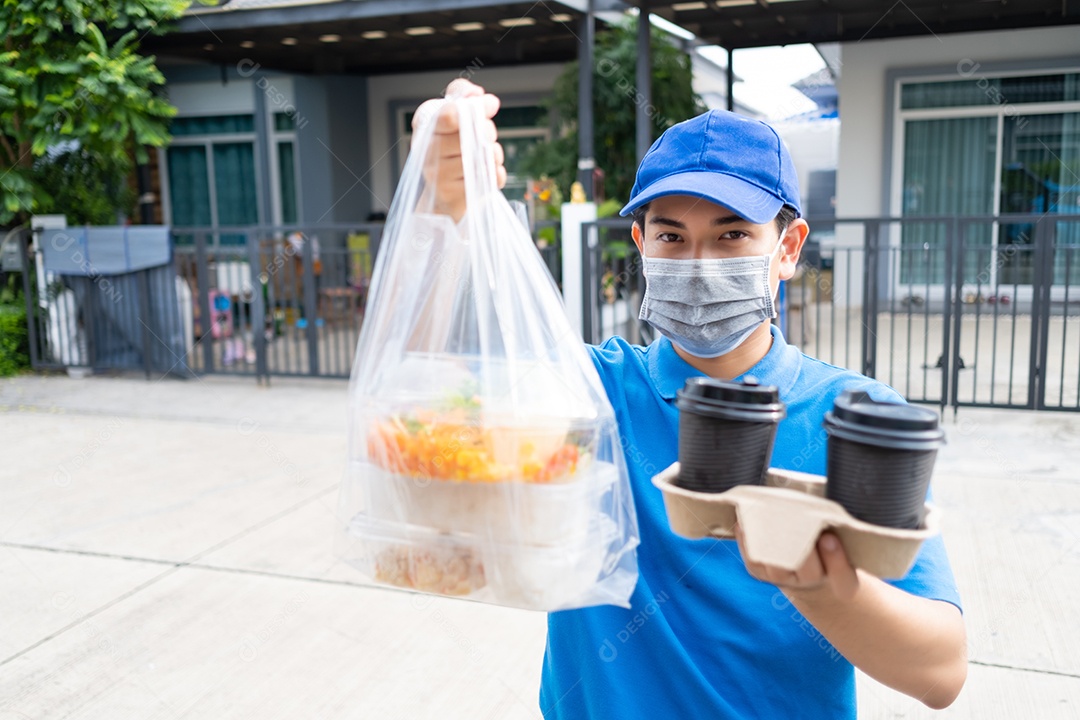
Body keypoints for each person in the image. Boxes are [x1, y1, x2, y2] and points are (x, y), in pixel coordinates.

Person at [414, 79, 967, 718]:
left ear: (787, 248)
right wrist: (440, 207)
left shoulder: (858, 422)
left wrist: (821, 587)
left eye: (732, 236)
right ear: (642, 245)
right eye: (673, 237)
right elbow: (427, 393)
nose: (699, 264)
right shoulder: (588, 393)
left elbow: (940, 672)